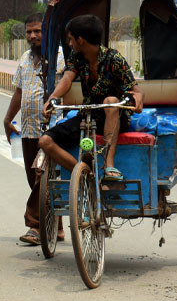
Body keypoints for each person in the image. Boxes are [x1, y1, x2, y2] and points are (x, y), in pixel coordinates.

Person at [39, 14, 144, 182]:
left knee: (110, 101)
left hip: (115, 117)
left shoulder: (114, 59)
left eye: (71, 39)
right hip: (88, 115)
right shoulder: (76, 57)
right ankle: (84, 175)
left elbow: (137, 91)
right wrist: (52, 99)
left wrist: (137, 100)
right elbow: (67, 79)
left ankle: (108, 165)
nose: (69, 43)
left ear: (80, 40)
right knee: (45, 141)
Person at [3, 13, 65, 246]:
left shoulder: (60, 59)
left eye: (37, 31)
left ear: (47, 32)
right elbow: (19, 92)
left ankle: (36, 225)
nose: (32, 36)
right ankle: (56, 227)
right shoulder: (25, 59)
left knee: (42, 179)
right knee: (35, 180)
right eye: (29, 32)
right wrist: (8, 119)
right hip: (28, 131)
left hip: (52, 130)